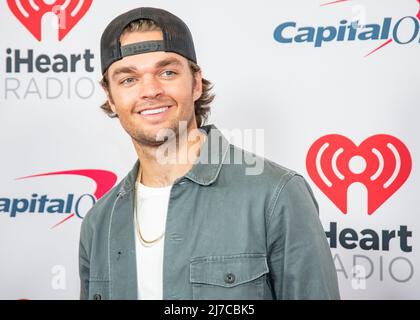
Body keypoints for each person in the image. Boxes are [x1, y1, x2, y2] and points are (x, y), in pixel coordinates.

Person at [79, 7, 340, 300]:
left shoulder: (276, 195)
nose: (150, 90)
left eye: (167, 72)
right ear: (110, 98)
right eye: (128, 79)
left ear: (196, 83)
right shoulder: (99, 221)